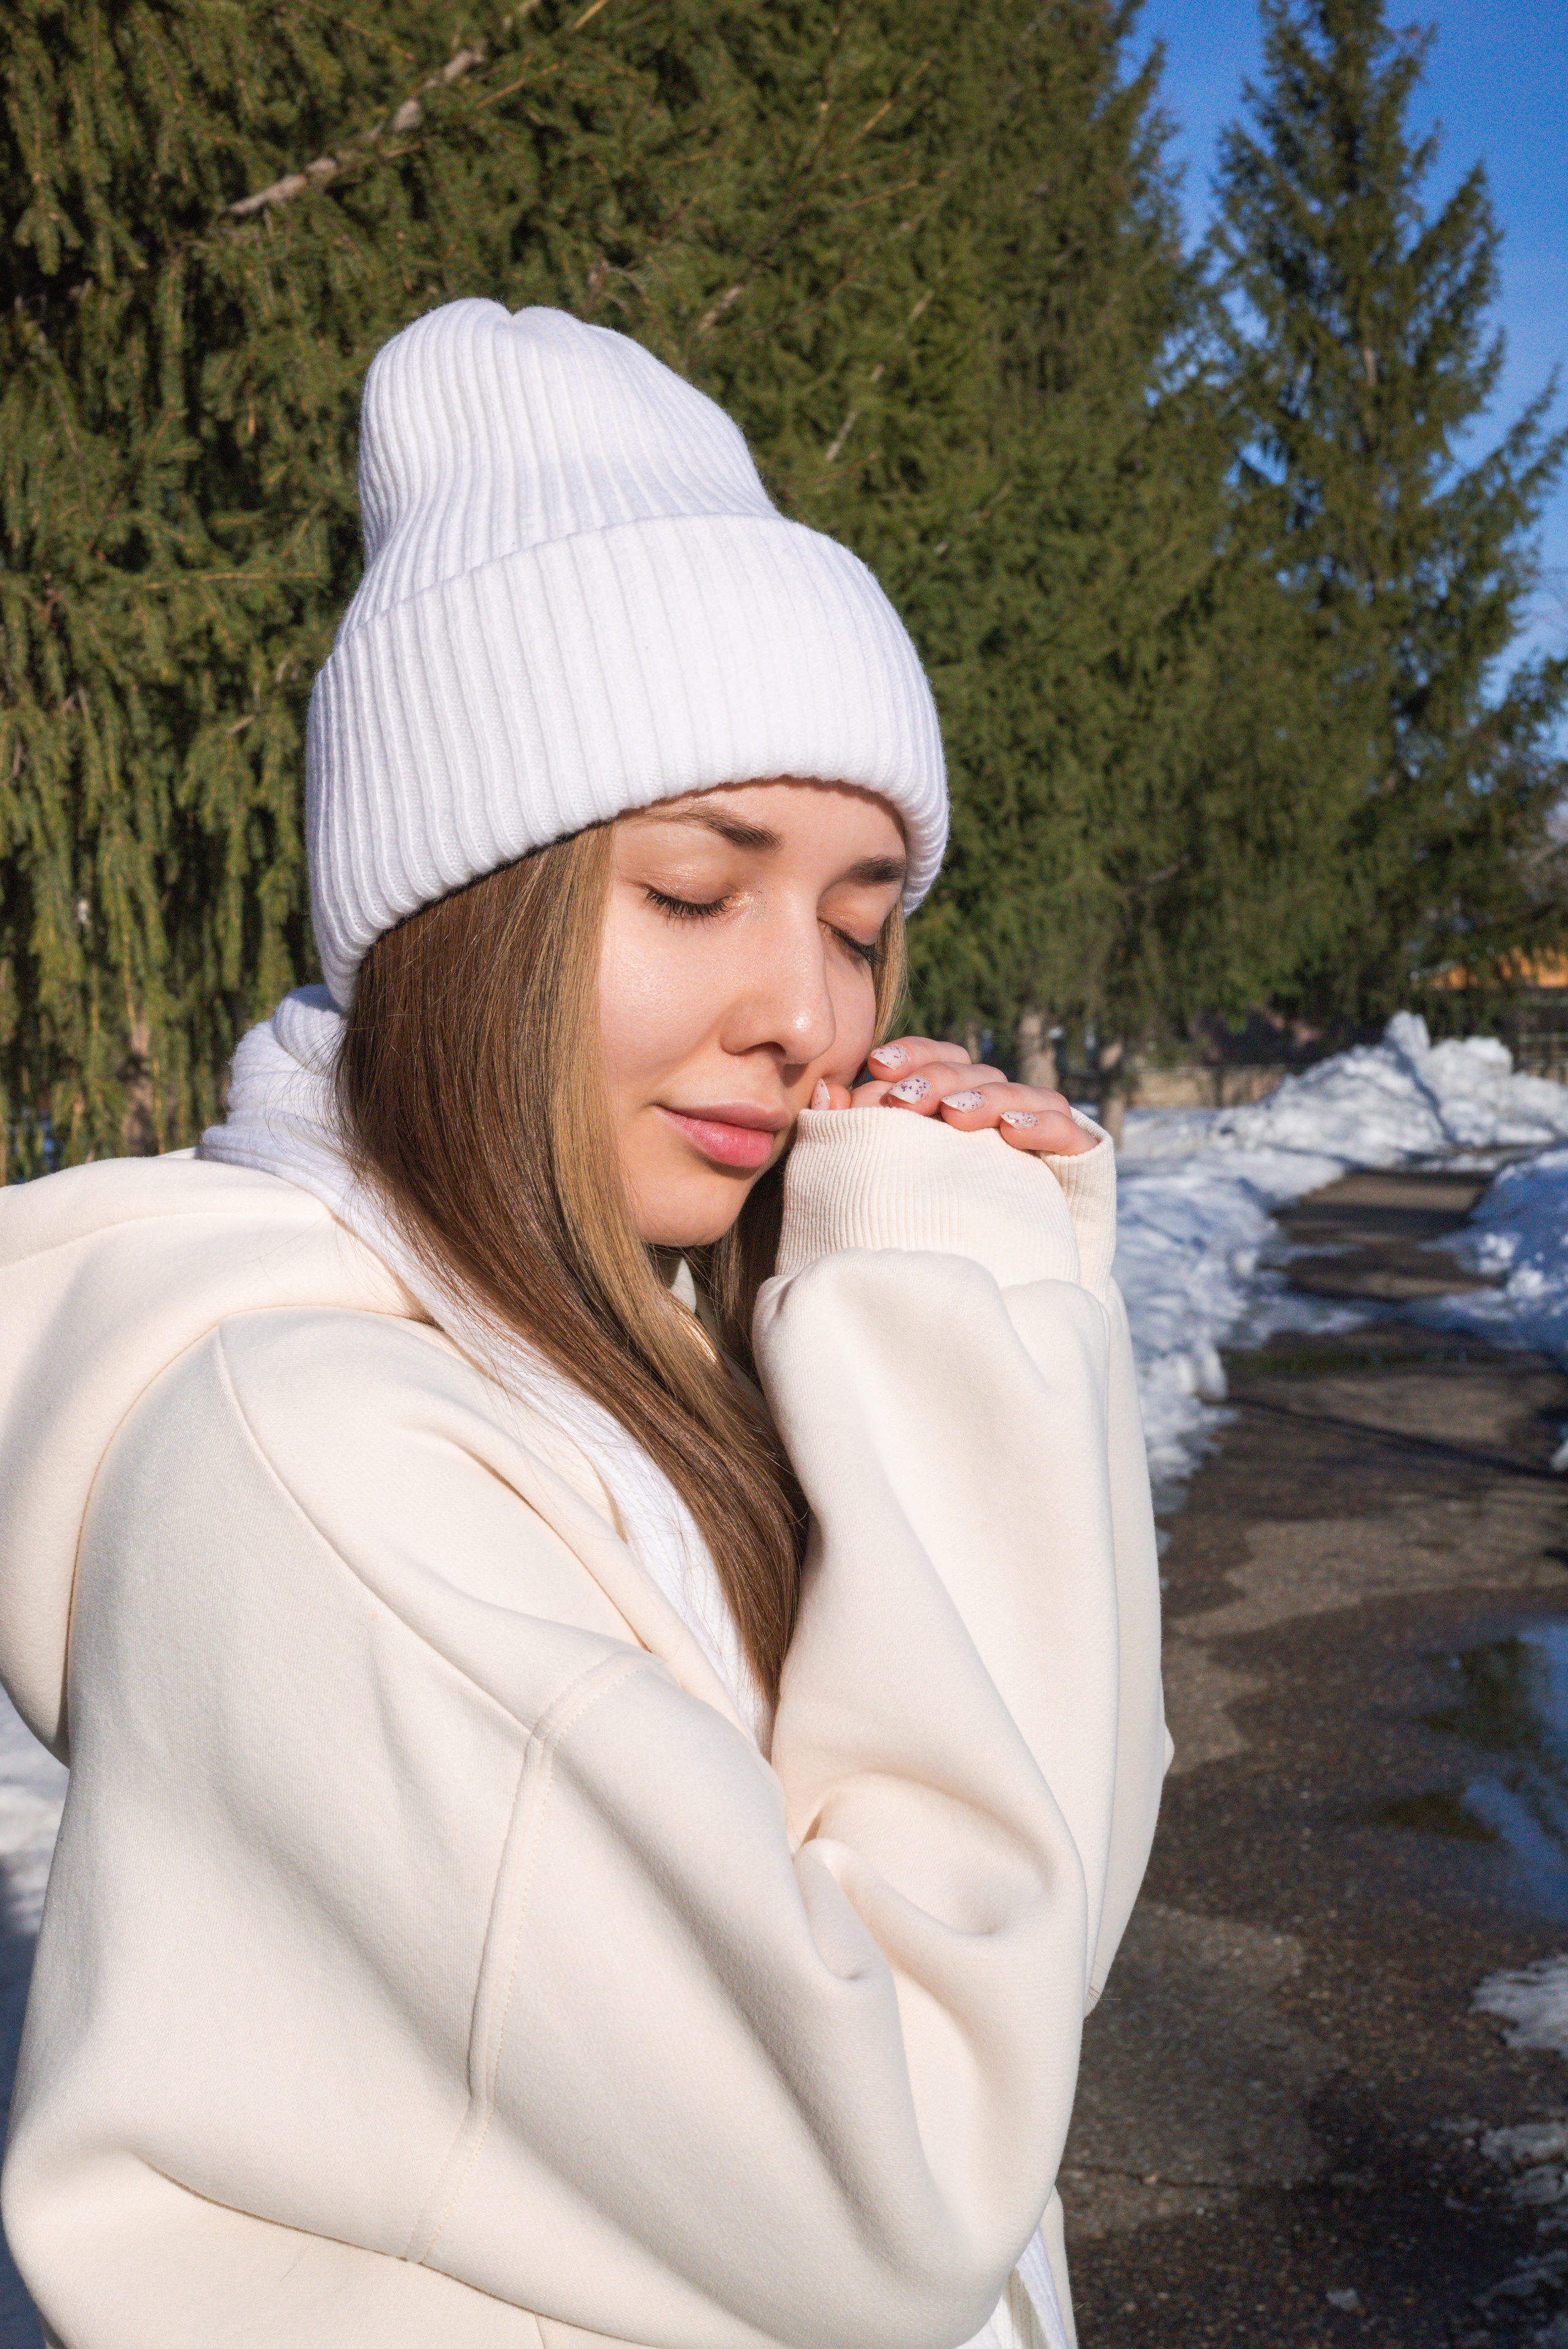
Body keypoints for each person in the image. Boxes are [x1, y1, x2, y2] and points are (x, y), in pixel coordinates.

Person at [0, 302, 1169, 2349]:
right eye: (701, 892)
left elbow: (1037, 1910)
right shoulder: (320, 1475)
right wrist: (939, 1352)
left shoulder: (660, 1362)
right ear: (475, 912)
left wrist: (999, 1327)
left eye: (860, 917)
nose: (810, 1012)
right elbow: (905, 2171)